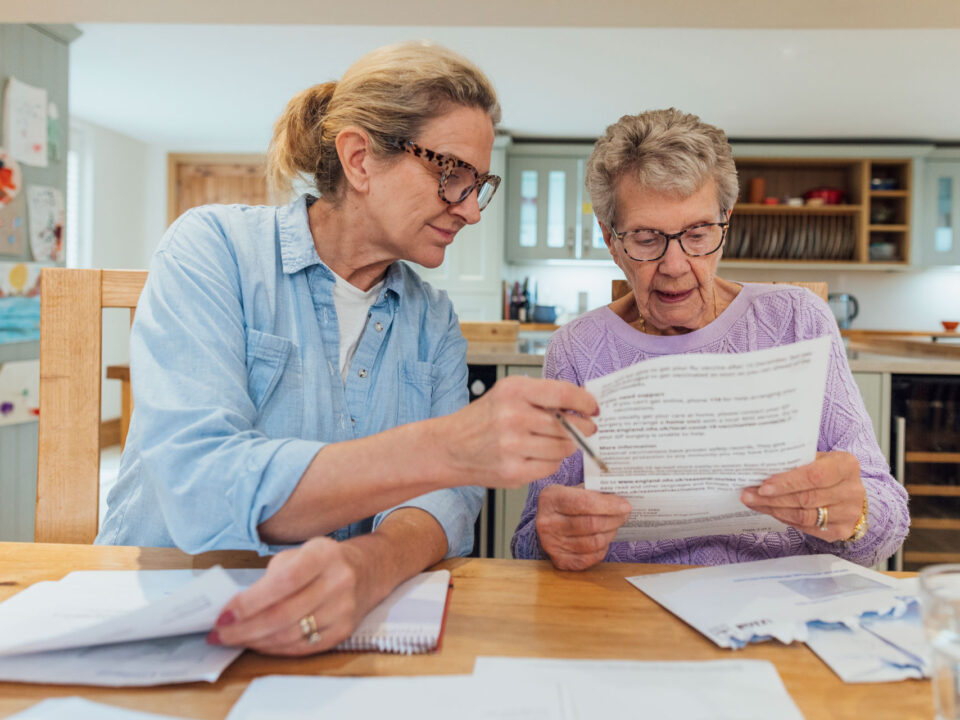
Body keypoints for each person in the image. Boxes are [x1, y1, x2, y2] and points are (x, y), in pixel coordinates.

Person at [96, 42, 599, 656]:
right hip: (166, 623)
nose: (470, 210)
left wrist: (367, 567)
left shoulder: (431, 319)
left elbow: (445, 503)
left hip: (334, 637)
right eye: (452, 175)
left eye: (478, 184)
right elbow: (202, 487)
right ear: (360, 159)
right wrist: (452, 446)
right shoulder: (213, 249)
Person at [511, 108, 909, 571]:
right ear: (611, 239)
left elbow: (887, 527)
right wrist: (554, 537)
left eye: (698, 234)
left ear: (726, 223)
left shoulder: (798, 322)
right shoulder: (576, 350)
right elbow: (527, 546)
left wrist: (853, 515)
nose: (676, 265)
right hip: (626, 605)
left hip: (777, 602)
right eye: (645, 238)